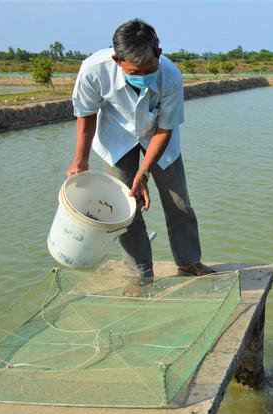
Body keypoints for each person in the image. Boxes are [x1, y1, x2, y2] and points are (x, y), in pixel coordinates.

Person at [68, 18, 214, 282]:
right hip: (116, 138)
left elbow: (165, 129)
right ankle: (141, 273)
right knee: (123, 207)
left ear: (158, 53)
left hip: (159, 139)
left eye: (149, 67)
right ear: (117, 60)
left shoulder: (170, 76)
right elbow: (86, 115)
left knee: (179, 204)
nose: (143, 75)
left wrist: (144, 171)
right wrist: (81, 161)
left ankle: (189, 261)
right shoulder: (93, 69)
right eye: (134, 72)